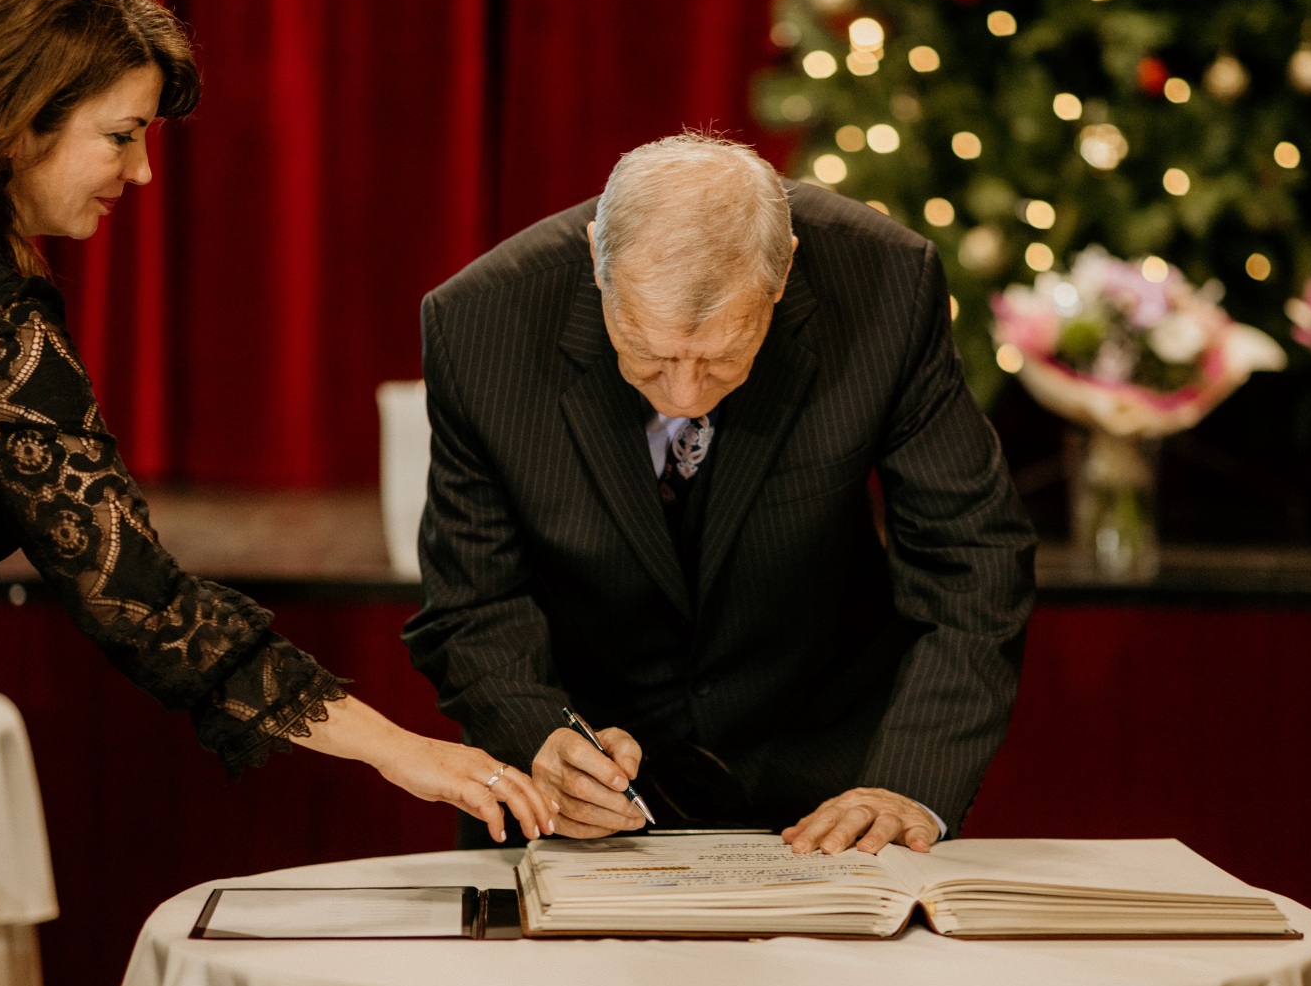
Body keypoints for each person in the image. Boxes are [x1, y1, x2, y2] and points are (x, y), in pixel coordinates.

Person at [0, 0, 550, 986]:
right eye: (122, 134)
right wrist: (407, 754)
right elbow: (141, 600)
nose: (139, 173)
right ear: (19, 117)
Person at [403, 132, 1034, 857]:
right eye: (648, 354)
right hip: (576, 791)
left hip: (831, 786)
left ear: (783, 270)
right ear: (597, 263)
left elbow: (972, 558)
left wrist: (908, 782)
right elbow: (471, 600)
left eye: (723, 357)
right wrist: (538, 737)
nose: (683, 395)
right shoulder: (479, 321)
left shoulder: (886, 281)